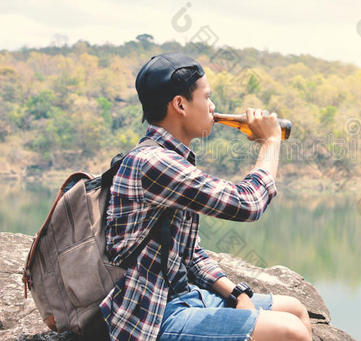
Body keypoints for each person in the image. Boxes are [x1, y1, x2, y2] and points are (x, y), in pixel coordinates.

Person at [101, 53, 312, 341]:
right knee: (290, 332)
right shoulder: (153, 163)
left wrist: (237, 293)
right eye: (207, 97)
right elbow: (247, 204)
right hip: (152, 316)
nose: (213, 108)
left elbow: (190, 254)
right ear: (180, 105)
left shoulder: (173, 160)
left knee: (296, 311)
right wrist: (271, 141)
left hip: (182, 297)